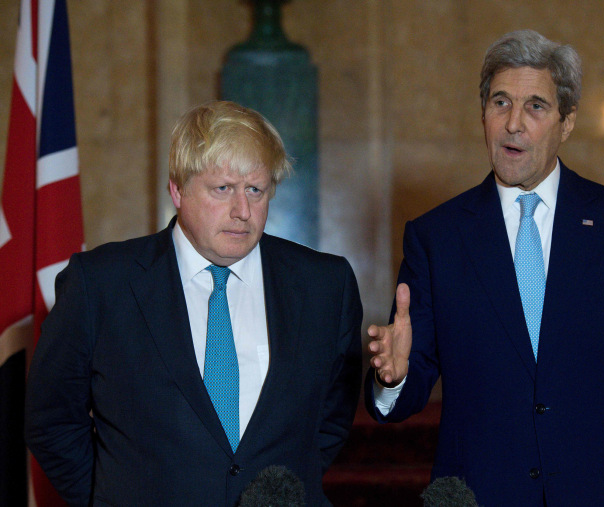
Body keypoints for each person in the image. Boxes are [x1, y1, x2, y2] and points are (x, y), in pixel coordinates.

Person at [365, 30, 604, 506]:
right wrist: (393, 377)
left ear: (566, 122)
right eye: (500, 103)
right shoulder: (436, 238)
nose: (513, 124)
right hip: (482, 494)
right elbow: (399, 399)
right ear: (482, 113)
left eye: (536, 107)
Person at [25, 100, 363, 506]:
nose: (243, 211)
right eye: (223, 189)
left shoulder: (325, 284)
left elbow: (329, 423)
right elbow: (52, 421)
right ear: (177, 190)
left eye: (255, 190)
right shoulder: (101, 284)